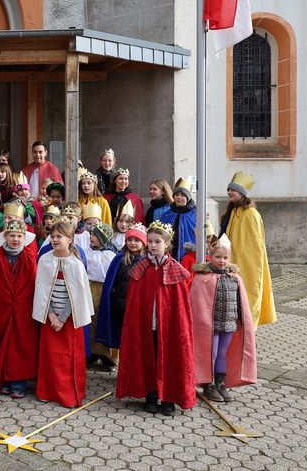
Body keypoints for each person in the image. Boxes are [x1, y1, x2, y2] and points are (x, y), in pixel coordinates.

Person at [116, 220, 195, 416]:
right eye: (150, 241)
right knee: (147, 357)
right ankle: (151, 394)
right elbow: (135, 301)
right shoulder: (141, 268)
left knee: (168, 358)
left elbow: (181, 307)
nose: (152, 245)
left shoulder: (175, 270)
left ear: (166, 244)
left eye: (157, 241)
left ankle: (168, 398)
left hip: (168, 327)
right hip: (146, 326)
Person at [33, 221, 94, 407]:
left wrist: (61, 318)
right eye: (52, 236)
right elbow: (42, 290)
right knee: (49, 357)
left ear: (70, 239)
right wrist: (51, 314)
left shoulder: (76, 264)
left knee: (67, 358)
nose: (54, 239)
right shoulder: (44, 260)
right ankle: (47, 391)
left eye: (59, 236)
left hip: (68, 320)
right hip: (49, 318)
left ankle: (68, 394)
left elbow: (77, 295)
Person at [191, 235, 257, 403]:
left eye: (225, 257)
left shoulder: (235, 278)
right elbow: (197, 303)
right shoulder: (202, 278)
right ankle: (208, 384)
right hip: (209, 326)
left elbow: (241, 302)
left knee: (221, 354)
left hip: (228, 324)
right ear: (210, 256)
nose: (221, 261)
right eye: (218, 257)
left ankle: (220, 384)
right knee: (209, 353)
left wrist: (244, 322)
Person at [0, 220, 39, 398]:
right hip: (1, 306)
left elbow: (31, 283)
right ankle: (3, 379)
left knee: (21, 342)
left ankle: (18, 380)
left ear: (24, 238)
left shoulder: (29, 256)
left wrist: (19, 301)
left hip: (23, 307)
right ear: (5, 236)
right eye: (12, 235)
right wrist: (6, 299)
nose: (15, 239)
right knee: (1, 341)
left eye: (19, 236)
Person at [220, 171, 276, 328]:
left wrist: (242, 261)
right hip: (232, 260)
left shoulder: (251, 214)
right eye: (229, 190)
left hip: (246, 264)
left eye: (234, 190)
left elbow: (255, 246)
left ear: (242, 194)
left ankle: (248, 331)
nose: (230, 192)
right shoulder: (233, 211)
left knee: (248, 296)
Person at [95, 223, 148, 361]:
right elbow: (111, 282)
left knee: (135, 341)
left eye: (137, 240)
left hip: (136, 308)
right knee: (122, 339)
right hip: (119, 307)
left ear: (143, 242)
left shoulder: (147, 262)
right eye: (130, 240)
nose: (133, 243)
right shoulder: (119, 259)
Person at [81, 222, 118, 369]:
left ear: (103, 238)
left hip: (105, 290)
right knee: (90, 321)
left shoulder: (111, 255)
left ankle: (108, 356)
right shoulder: (86, 252)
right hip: (89, 288)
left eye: (95, 235)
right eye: (91, 234)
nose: (91, 237)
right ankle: (91, 353)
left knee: (104, 320)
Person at [160, 177, 196, 262]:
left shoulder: (196, 215)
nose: (179, 197)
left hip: (189, 257)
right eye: (176, 194)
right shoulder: (166, 215)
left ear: (188, 197)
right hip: (169, 257)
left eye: (183, 195)